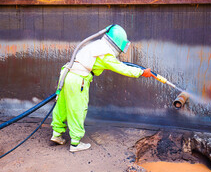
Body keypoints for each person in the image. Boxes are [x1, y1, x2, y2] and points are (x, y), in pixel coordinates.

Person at [50, 24, 153, 152]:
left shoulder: (96, 45)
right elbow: (122, 68)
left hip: (66, 73)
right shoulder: (106, 54)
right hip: (78, 78)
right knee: (78, 109)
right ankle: (75, 143)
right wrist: (141, 72)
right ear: (118, 43)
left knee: (62, 106)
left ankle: (57, 135)